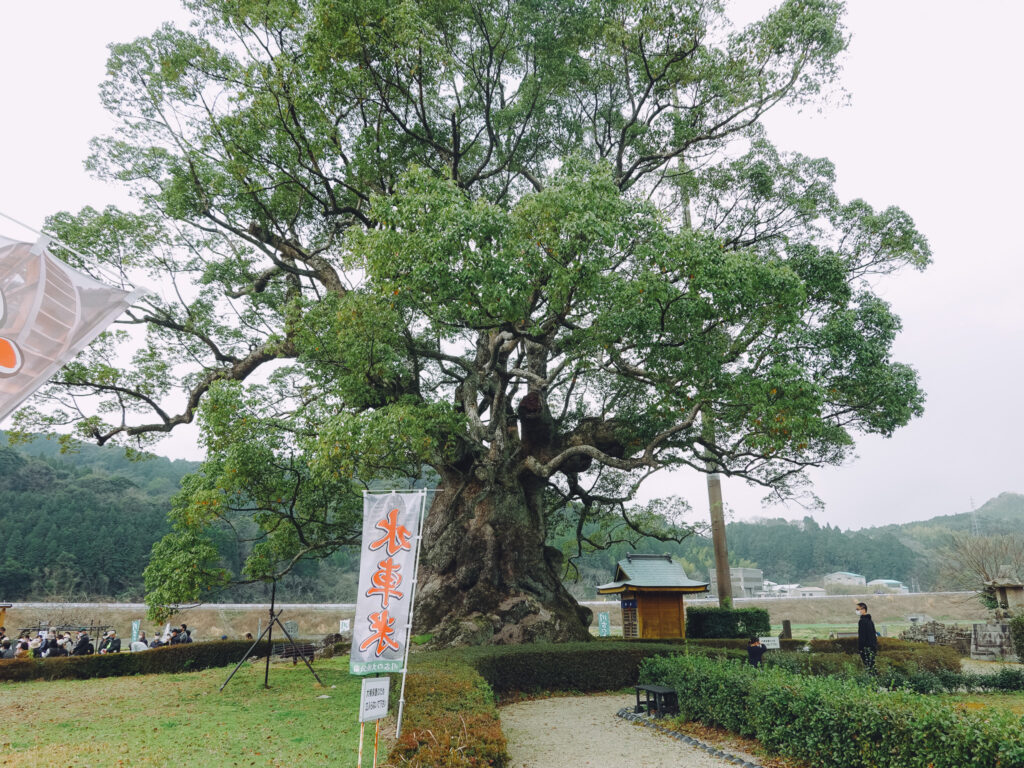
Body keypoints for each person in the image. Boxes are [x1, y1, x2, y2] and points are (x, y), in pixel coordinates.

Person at [856, 602, 878, 671]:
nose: (857, 611)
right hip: (872, 647)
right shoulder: (870, 620)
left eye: (858, 609)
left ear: (863, 609)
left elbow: (862, 636)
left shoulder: (862, 621)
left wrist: (860, 648)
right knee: (872, 665)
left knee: (868, 665)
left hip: (865, 647)